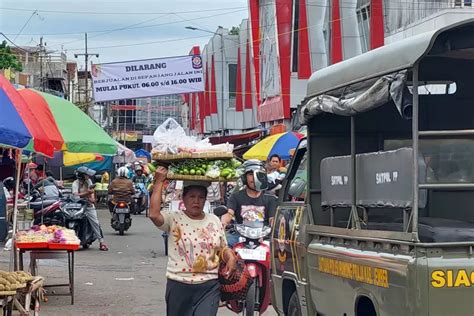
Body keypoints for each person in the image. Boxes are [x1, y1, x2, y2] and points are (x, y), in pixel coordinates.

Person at [149, 167, 237, 316]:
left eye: (201, 197)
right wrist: (158, 183)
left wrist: (230, 257)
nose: (196, 201)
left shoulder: (214, 220)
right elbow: (153, 214)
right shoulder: (174, 218)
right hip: (178, 286)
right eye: (192, 196)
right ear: (183, 198)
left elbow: (222, 248)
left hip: (209, 286)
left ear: (205, 199)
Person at [222, 160, 277, 247]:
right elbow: (229, 213)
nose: (254, 178)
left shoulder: (270, 198)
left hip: (263, 236)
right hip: (240, 235)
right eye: (250, 174)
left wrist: (275, 225)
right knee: (225, 245)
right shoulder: (236, 196)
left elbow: (272, 219)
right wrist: (223, 222)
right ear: (244, 177)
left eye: (257, 174)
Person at [72, 167, 108, 251]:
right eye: (86, 175)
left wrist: (92, 199)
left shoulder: (89, 182)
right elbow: (75, 195)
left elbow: (91, 193)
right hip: (78, 205)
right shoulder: (75, 183)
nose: (88, 177)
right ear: (81, 176)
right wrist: (87, 193)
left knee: (95, 222)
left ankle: (101, 242)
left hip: (88, 205)